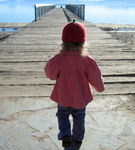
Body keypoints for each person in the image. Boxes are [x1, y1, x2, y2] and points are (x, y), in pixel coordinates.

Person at [45, 19, 105, 150]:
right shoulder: (88, 60)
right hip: (80, 99)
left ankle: (65, 134)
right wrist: (100, 88)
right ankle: (77, 139)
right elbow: (95, 77)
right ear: (83, 43)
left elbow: (50, 74)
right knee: (79, 118)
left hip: (63, 98)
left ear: (63, 42)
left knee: (62, 115)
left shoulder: (58, 59)